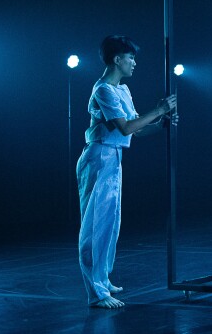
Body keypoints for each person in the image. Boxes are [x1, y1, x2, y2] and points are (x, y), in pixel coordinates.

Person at [77, 35, 177, 309]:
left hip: (113, 159)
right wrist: (159, 110)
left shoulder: (123, 90)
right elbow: (125, 128)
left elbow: (137, 128)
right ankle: (96, 292)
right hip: (98, 158)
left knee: (110, 224)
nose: (134, 63)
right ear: (117, 59)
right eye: (130, 57)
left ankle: (103, 278)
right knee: (95, 225)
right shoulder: (103, 90)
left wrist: (161, 123)